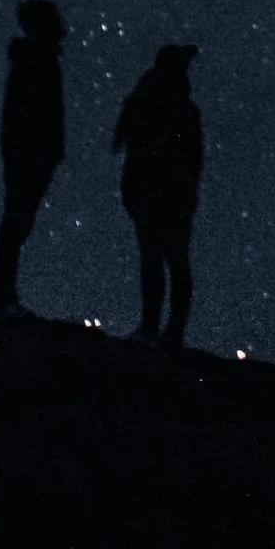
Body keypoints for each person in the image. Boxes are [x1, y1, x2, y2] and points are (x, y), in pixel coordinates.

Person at [113, 43, 204, 349]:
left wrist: (130, 189)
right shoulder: (180, 108)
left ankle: (153, 328)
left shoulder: (143, 101)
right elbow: (193, 160)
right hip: (168, 195)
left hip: (152, 193)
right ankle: (167, 331)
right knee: (173, 261)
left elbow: (132, 151)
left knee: (154, 260)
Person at [0, 0, 66, 318]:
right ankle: (5, 301)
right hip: (29, 156)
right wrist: (34, 153)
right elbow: (26, 115)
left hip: (31, 156)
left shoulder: (38, 60)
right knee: (15, 224)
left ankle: (6, 299)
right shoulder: (36, 62)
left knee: (18, 224)